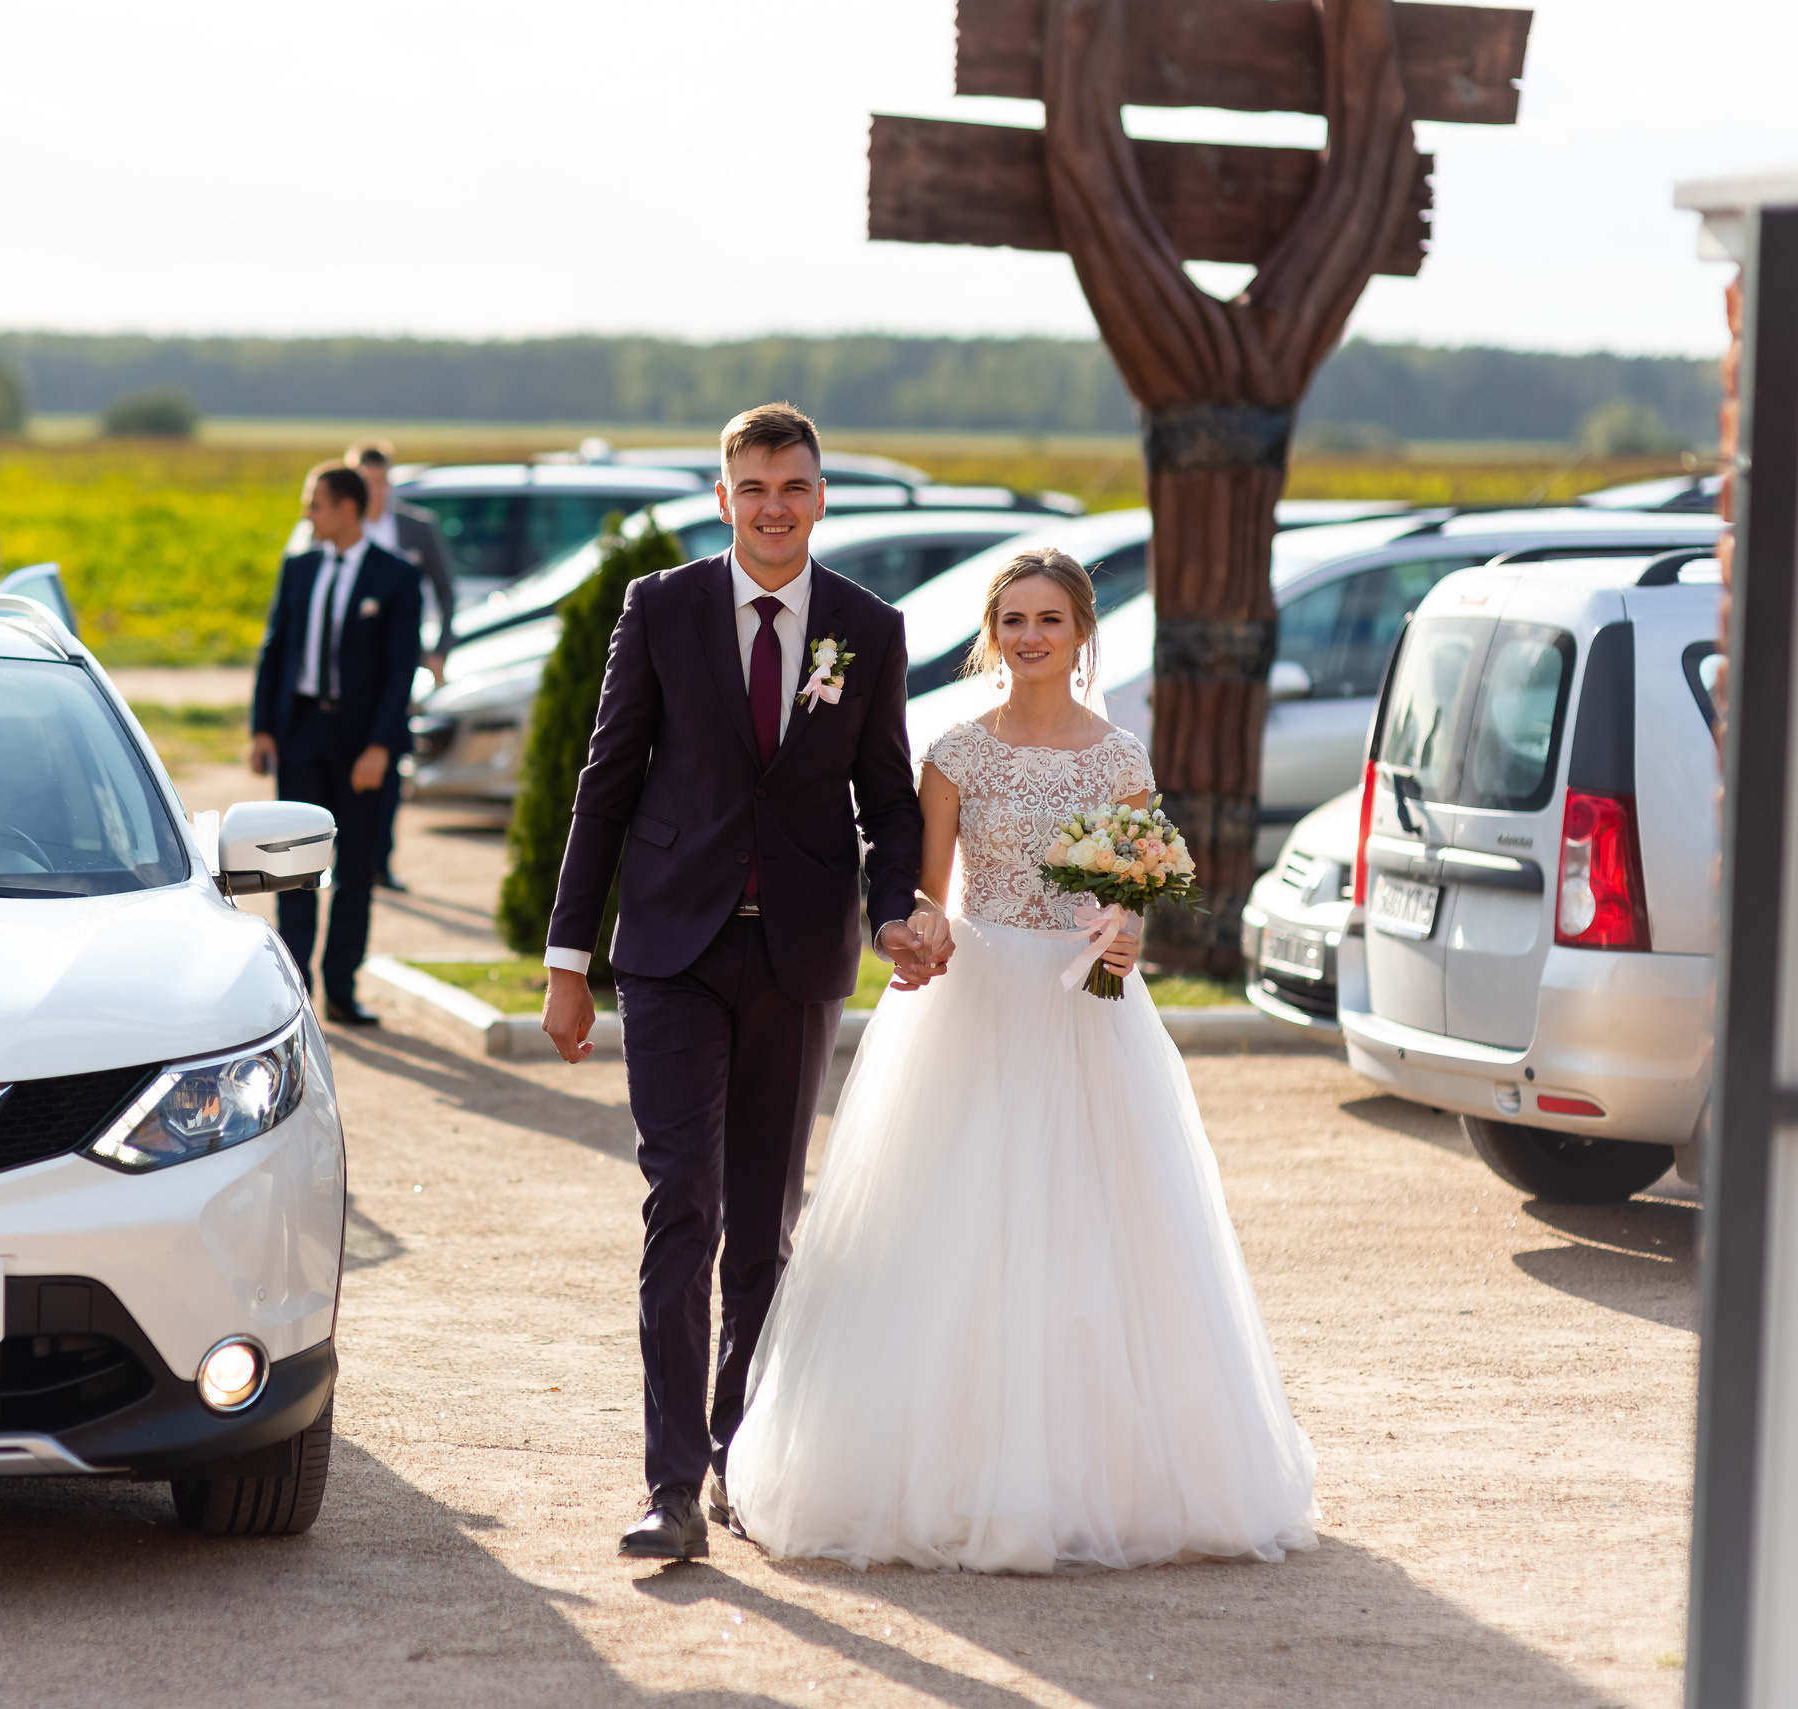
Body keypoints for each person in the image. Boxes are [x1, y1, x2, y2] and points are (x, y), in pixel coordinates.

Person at [722, 548, 1320, 1573]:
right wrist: (921, 927)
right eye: (1012, 620)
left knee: (1096, 1229)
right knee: (958, 1224)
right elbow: (926, 887)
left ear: (1082, 630)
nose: (1030, 636)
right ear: (990, 635)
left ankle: (1100, 1478)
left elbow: (1133, 889)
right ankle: (947, 1472)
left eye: (1048, 618)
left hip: (1087, 1007)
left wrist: (1127, 931)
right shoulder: (957, 750)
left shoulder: (1118, 757)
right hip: (980, 1000)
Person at [536, 403, 942, 1561]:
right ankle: (668, 1484)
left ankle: (738, 1458)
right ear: (723, 497)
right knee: (683, 1204)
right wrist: (569, 960)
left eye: (794, 486)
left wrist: (894, 908)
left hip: (797, 957)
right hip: (671, 952)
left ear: (820, 498)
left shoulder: (866, 626)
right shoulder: (659, 609)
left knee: (763, 1224)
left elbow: (887, 797)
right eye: (753, 487)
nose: (774, 506)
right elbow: (606, 784)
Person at [249, 462, 424, 1025]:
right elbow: (274, 648)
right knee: (293, 867)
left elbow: (401, 670)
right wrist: (262, 728)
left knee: (354, 870)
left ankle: (342, 991)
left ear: (347, 508)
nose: (307, 514)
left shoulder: (397, 576)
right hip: (301, 732)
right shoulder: (299, 567)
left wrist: (380, 747)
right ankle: (294, 994)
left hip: (361, 745)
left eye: (316, 503)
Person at [348, 441, 454, 894]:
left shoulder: (417, 528)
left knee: (390, 757)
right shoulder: (340, 526)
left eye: (381, 482)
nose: (374, 491)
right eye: (365, 482)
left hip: (399, 663)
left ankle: (381, 860)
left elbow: (445, 591)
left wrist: (439, 649)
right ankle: (345, 857)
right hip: (349, 669)